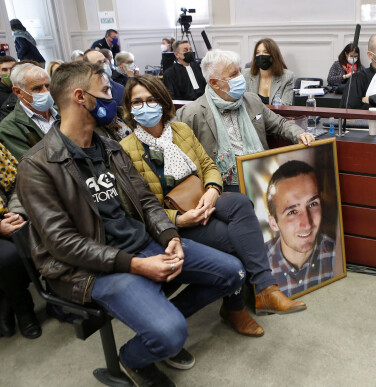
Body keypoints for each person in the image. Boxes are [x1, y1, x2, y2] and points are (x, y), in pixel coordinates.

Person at [17, 61, 246, 386]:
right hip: (91, 269)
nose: (116, 99)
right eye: (107, 92)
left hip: (141, 244)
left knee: (232, 272)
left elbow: (146, 201)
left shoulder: (108, 147)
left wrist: (170, 236)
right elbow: (62, 244)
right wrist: (137, 265)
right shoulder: (37, 165)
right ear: (81, 97)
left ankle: (160, 331)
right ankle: (132, 358)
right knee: (172, 334)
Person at [120, 75, 307, 335]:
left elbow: (208, 165)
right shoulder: (124, 150)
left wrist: (212, 189)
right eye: (137, 102)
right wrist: (178, 220)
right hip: (172, 222)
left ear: (163, 101)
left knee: (241, 202)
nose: (145, 106)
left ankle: (265, 289)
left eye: (151, 99)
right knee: (235, 242)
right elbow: (137, 209)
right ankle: (236, 308)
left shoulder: (181, 131)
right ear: (129, 108)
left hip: (201, 198)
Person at [176, 49, 314, 192]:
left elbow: (280, 124)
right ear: (215, 83)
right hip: (223, 186)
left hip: (260, 174)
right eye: (233, 74)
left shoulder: (252, 100)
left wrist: (299, 133)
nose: (241, 77)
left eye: (240, 71)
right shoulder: (192, 113)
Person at [265, 160, 336, 297]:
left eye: (313, 204)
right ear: (273, 223)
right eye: (292, 212)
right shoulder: (261, 267)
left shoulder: (336, 254)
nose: (307, 224)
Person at [0, 142, 42, 339]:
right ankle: (22, 308)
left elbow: (15, 183)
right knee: (9, 258)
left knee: (41, 233)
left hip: (7, 215)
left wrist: (16, 212)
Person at [0, 63, 58, 160]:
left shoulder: (62, 112)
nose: (45, 92)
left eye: (47, 86)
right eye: (37, 88)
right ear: (18, 92)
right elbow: (33, 166)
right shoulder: (9, 128)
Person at [242, 38, 294, 106]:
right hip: (252, 116)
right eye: (257, 53)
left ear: (274, 55)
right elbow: (242, 103)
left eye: (265, 52)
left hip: (276, 115)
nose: (261, 55)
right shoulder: (246, 75)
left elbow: (286, 105)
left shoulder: (287, 76)